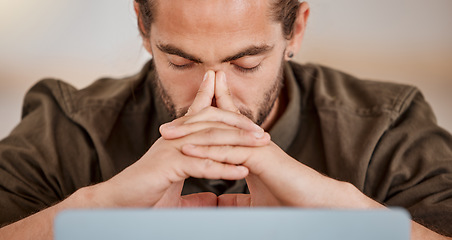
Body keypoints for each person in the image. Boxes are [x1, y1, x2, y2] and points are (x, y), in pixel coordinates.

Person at [0, 0, 451, 239]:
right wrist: (96, 210)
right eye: (180, 62)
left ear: (295, 30)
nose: (212, 95)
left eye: (246, 64)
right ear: (142, 26)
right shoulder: (66, 125)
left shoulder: (387, 126)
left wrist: (341, 213)